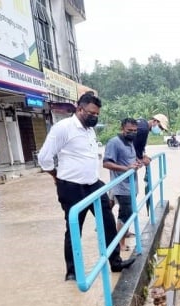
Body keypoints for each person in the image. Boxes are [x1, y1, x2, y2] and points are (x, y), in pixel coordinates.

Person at [37, 92, 135, 282]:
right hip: (71, 187)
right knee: (74, 227)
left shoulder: (90, 130)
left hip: (93, 185)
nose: (94, 117)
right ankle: (72, 272)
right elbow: (44, 158)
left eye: (97, 114)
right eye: (91, 113)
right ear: (79, 109)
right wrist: (56, 177)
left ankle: (115, 261)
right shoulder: (63, 128)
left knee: (107, 221)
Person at [103, 118, 142, 252]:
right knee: (126, 214)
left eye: (135, 131)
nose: (132, 133)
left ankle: (121, 234)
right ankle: (120, 244)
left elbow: (131, 160)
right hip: (121, 186)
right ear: (122, 129)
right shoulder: (114, 143)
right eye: (129, 130)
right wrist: (126, 168)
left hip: (132, 185)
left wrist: (138, 163)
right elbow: (106, 163)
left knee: (127, 213)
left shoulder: (130, 142)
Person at [133, 113, 169, 212]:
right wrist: (141, 158)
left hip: (124, 160)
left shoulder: (142, 123)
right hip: (125, 163)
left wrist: (143, 155)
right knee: (130, 194)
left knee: (116, 194)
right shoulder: (143, 129)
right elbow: (134, 146)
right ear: (155, 121)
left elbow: (140, 145)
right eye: (161, 127)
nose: (160, 130)